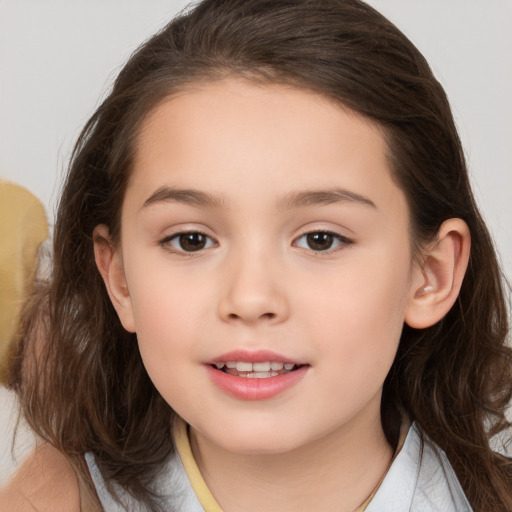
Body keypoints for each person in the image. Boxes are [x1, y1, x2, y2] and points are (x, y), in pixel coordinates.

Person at [4, 0, 512, 510]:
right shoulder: (52, 498)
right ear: (120, 280)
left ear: (431, 274)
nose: (250, 299)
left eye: (320, 239)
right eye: (191, 240)